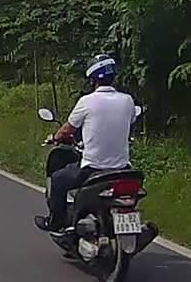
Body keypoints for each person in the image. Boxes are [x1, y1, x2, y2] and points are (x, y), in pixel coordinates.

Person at [35, 54, 137, 233]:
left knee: (58, 180)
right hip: (122, 169)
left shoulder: (87, 102)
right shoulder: (127, 100)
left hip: (93, 168)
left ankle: (56, 222)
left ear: (92, 80)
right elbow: (130, 121)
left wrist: (55, 137)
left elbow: (67, 130)